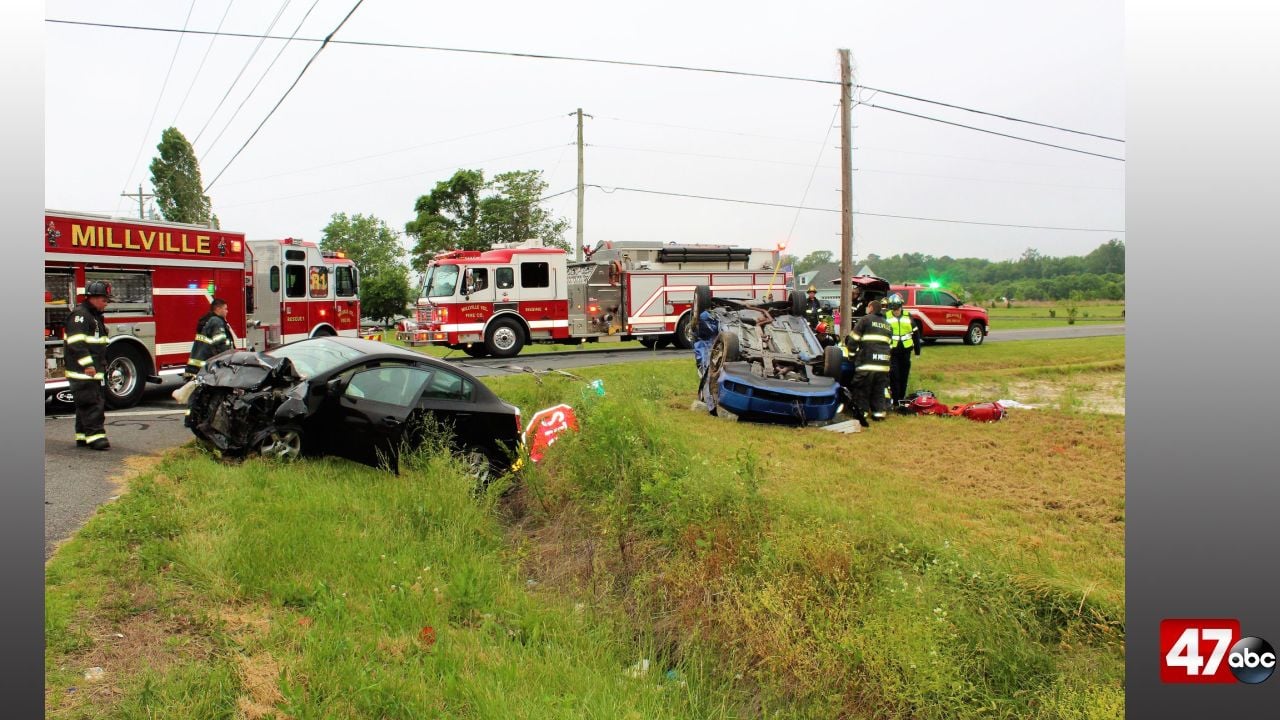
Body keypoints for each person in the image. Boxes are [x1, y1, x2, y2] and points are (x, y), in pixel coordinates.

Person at [64, 280, 111, 450]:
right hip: (83, 371)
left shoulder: (93, 316)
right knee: (93, 404)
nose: (105, 304)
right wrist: (88, 365)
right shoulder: (81, 316)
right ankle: (96, 437)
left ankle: (83, 436)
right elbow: (76, 343)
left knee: (85, 403)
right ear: (93, 298)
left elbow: (97, 344)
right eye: (104, 300)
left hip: (91, 370)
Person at [842, 298, 893, 427]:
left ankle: (862, 412)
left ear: (870, 308)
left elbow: (853, 340)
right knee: (878, 390)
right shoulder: (887, 325)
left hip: (867, 363)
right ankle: (878, 414)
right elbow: (889, 346)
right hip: (883, 365)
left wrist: (852, 356)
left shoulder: (865, 319)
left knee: (861, 388)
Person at [884, 292, 922, 405]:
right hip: (893, 351)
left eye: (897, 308)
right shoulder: (886, 316)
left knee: (904, 376)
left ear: (901, 306)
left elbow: (916, 334)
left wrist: (917, 351)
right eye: (893, 309)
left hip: (906, 351)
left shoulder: (908, 316)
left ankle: (902, 398)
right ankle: (896, 400)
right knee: (894, 376)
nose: (896, 311)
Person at [183, 298, 235, 379]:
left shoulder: (207, 321)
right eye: (225, 309)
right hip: (207, 367)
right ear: (218, 309)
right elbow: (220, 344)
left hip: (196, 368)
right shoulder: (216, 321)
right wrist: (228, 359)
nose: (227, 311)